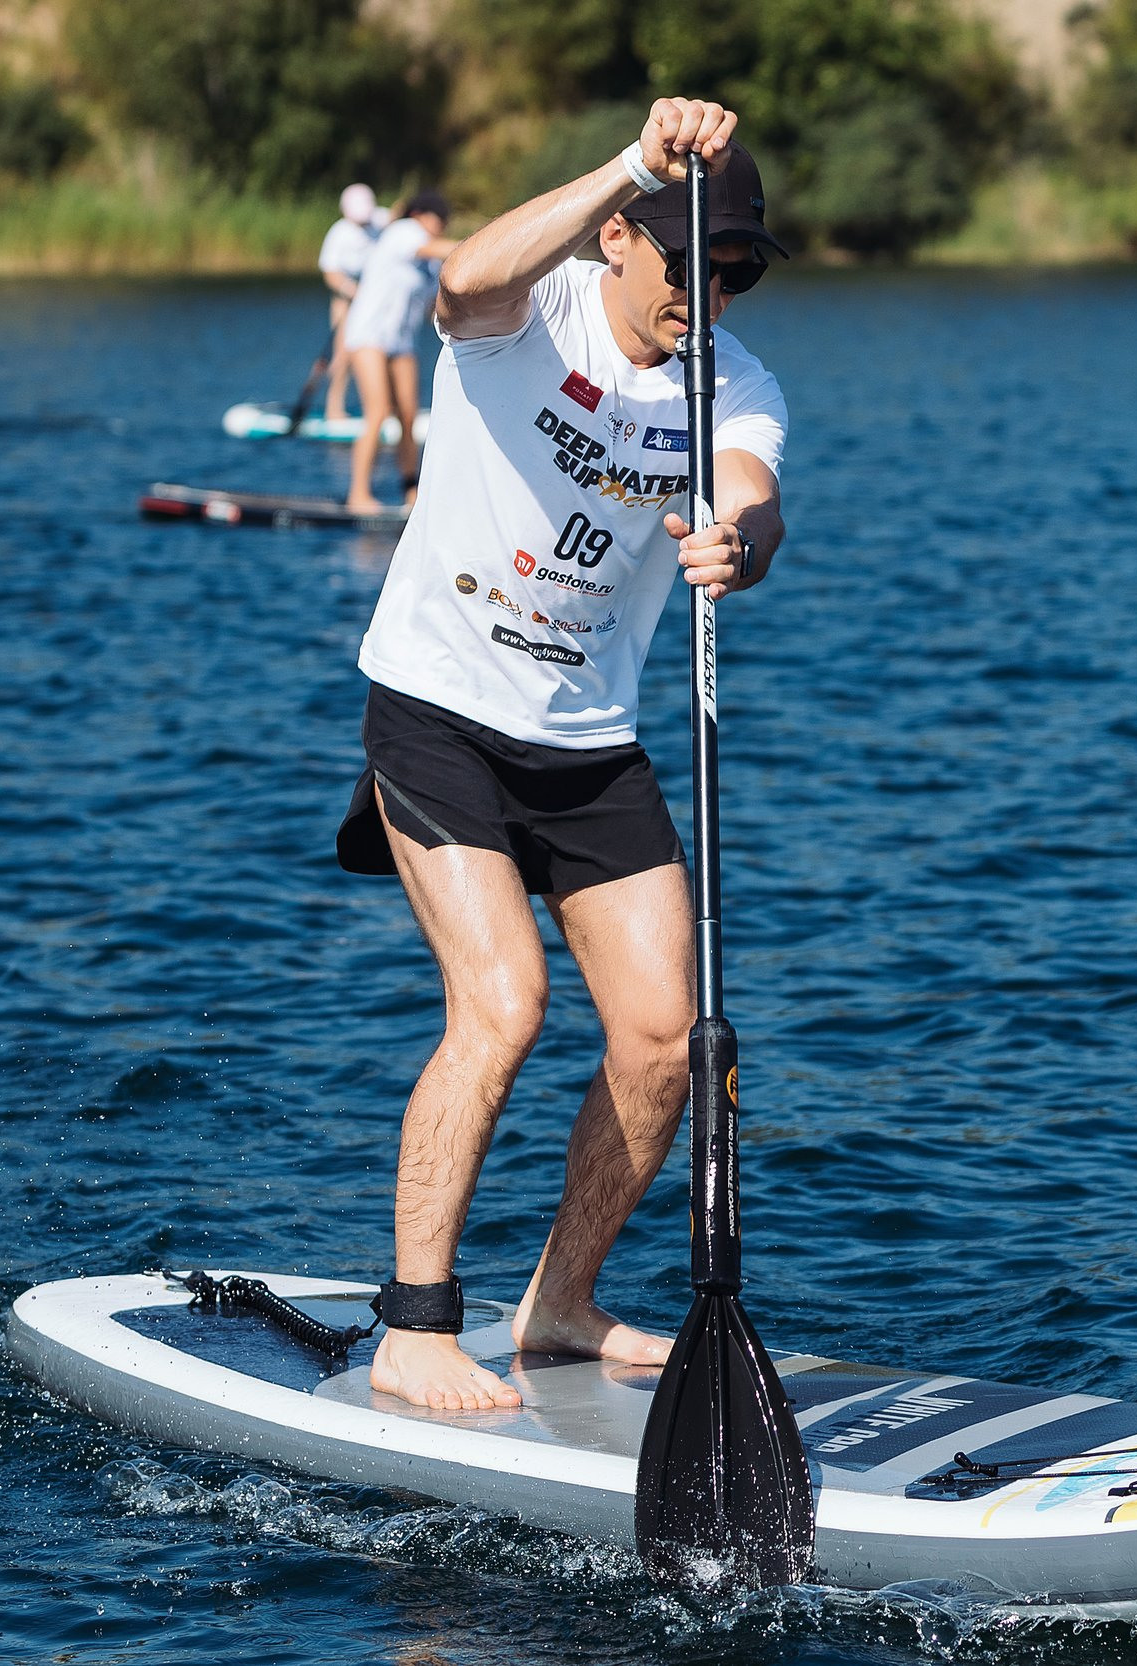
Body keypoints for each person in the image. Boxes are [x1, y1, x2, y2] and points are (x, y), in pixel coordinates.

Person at [333, 98, 787, 1410]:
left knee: (665, 1038)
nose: (712, 294)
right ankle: (416, 1325)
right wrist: (632, 164)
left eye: (739, 270)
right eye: (693, 264)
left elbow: (757, 492)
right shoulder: (538, 315)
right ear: (621, 239)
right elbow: (464, 275)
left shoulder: (732, 381)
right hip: (439, 707)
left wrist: (739, 547)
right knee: (505, 1005)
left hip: (587, 745)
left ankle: (559, 1304)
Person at [341, 191, 459, 513]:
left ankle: (411, 493)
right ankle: (358, 495)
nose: (442, 228)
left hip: (401, 341)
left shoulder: (432, 262)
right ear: (423, 215)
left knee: (408, 415)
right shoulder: (404, 231)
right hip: (368, 335)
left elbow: (434, 307)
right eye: (440, 221)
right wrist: (478, 248)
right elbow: (432, 247)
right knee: (378, 412)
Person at [311, 183, 383, 426]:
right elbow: (330, 274)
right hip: (346, 301)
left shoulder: (379, 220)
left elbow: (397, 215)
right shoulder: (339, 232)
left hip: (375, 300)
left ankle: (381, 407)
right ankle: (334, 409)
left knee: (380, 351)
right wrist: (353, 291)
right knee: (343, 354)